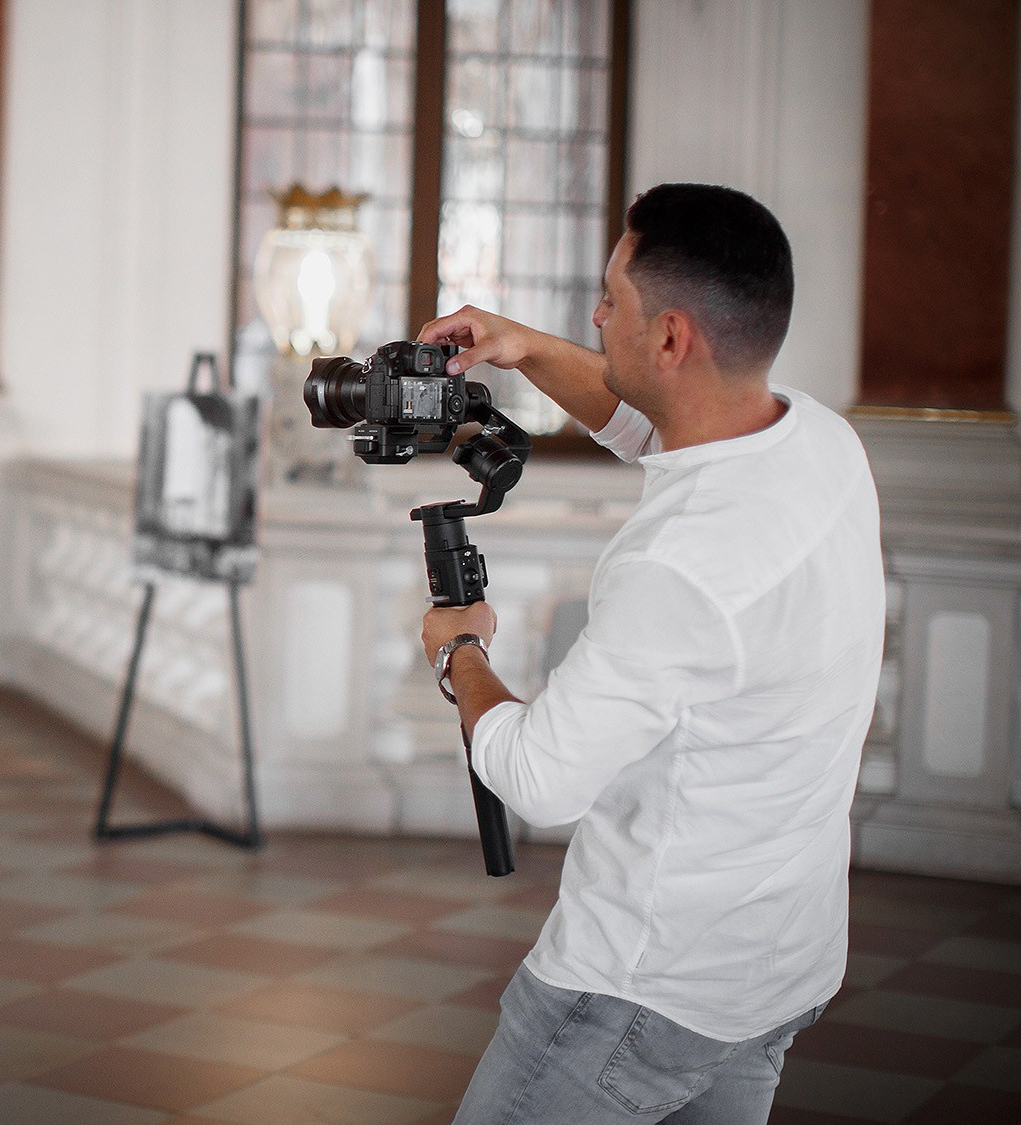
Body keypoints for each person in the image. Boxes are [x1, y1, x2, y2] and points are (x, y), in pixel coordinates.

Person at [416, 183, 885, 1124]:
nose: (595, 317)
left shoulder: (680, 562)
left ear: (671, 337)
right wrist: (523, 345)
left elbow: (540, 778)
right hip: (776, 969)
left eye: (610, 300)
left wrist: (459, 650)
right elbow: (649, 423)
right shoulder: (819, 440)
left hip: (634, 991)